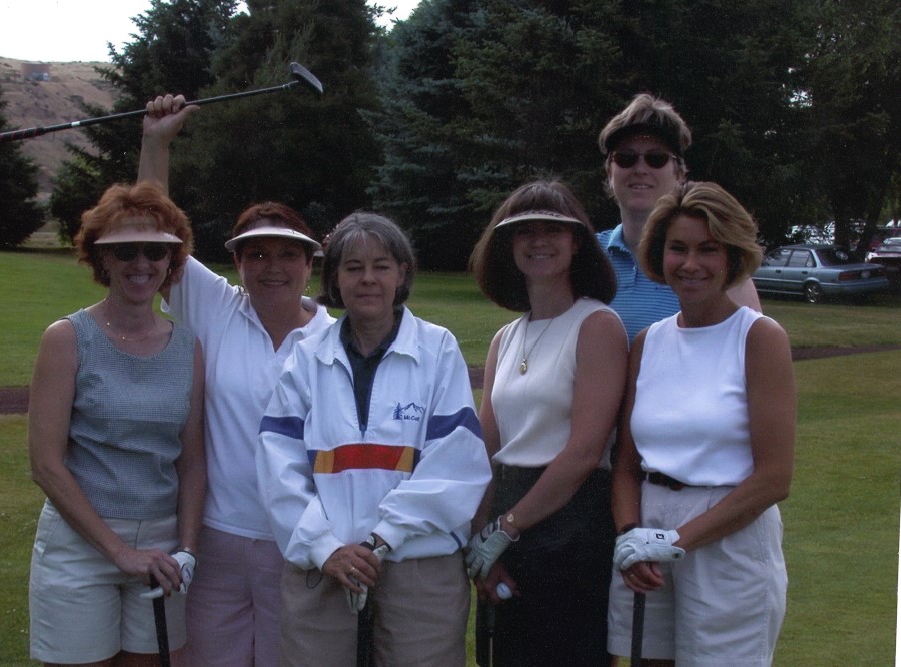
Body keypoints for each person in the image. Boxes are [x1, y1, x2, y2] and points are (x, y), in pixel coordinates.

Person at [138, 94, 335, 667]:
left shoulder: (335, 339)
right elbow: (153, 231)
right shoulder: (217, 308)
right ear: (237, 263)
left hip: (299, 542)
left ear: (310, 263)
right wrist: (156, 143)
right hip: (216, 538)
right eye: (256, 255)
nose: (272, 267)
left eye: (286, 254)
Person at [256, 212, 491, 666]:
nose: (368, 279)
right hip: (324, 565)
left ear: (402, 273)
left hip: (418, 564)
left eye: (381, 266)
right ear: (335, 279)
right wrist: (325, 548)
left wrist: (381, 539)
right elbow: (278, 468)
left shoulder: (437, 349)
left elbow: (454, 462)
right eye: (353, 267)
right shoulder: (306, 359)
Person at [607, 181, 795, 665]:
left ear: (731, 255)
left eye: (707, 249)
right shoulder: (648, 342)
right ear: (659, 254)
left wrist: (677, 541)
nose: (691, 264)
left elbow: (774, 478)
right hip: (648, 530)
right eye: (678, 248)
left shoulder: (758, 337)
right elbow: (626, 464)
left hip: (729, 537)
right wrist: (632, 533)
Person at [28, 181, 206, 666]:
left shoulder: (187, 346)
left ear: (173, 260)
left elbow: (192, 462)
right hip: (80, 545)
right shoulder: (67, 338)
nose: (141, 264)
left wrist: (187, 548)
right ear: (101, 259)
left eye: (156, 251)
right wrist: (117, 552)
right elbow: (46, 465)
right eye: (125, 251)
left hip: (162, 548)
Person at [465, 180, 628, 666]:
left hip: (573, 527)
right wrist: (480, 542)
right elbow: (485, 451)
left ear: (577, 242)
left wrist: (505, 530)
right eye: (524, 232)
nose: (538, 241)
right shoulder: (505, 339)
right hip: (508, 522)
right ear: (507, 246)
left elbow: (582, 453)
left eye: (553, 230)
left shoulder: (597, 325)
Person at [597, 93, 761, 341]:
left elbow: (749, 352)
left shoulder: (715, 263)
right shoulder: (587, 256)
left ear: (679, 173)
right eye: (626, 158)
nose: (640, 169)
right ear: (610, 171)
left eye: (656, 159)